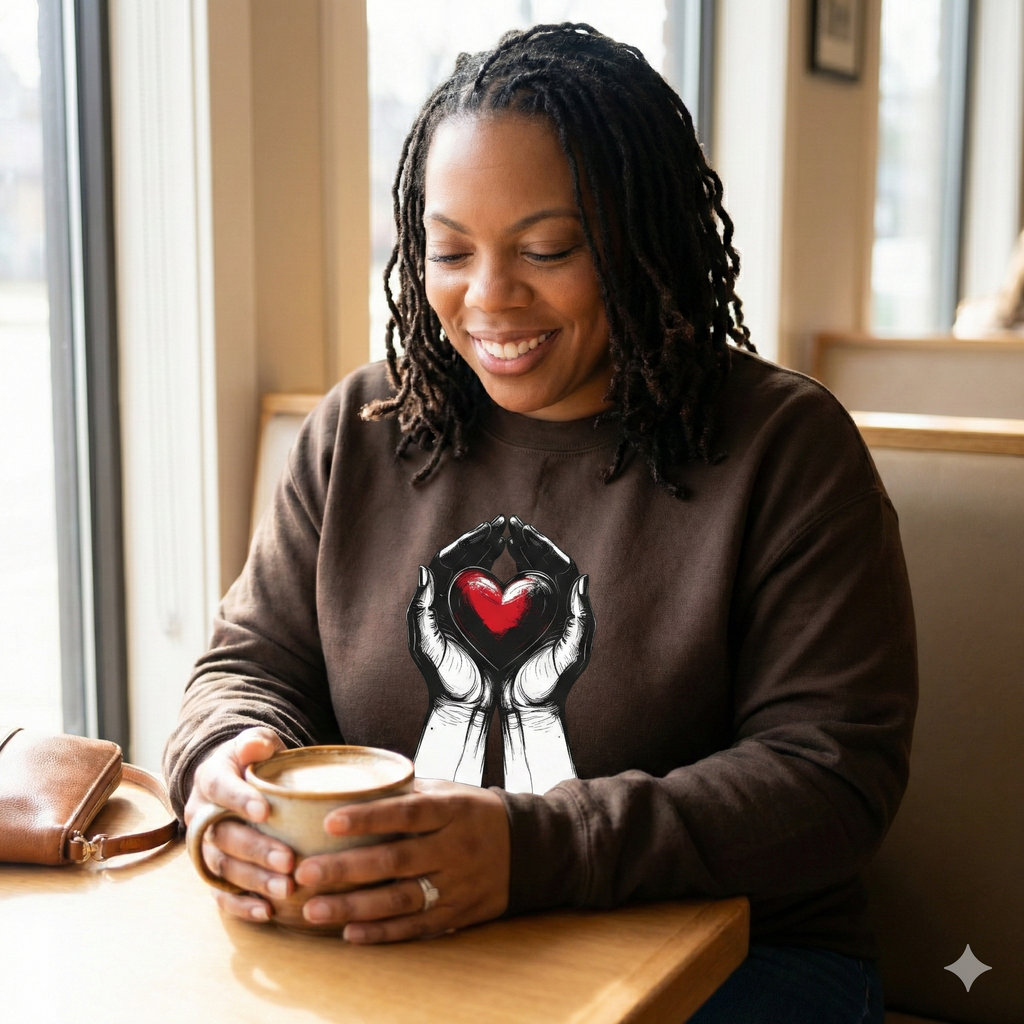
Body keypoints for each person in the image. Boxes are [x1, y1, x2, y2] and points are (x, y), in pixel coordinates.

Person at [165, 23, 916, 1023]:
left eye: (547, 248)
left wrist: (532, 850)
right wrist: (227, 770)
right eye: (447, 250)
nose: (488, 297)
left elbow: (830, 779)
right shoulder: (362, 429)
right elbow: (246, 667)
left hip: (745, 959)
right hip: (404, 952)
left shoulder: (784, 448)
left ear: (642, 238)